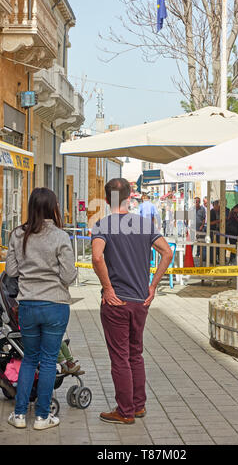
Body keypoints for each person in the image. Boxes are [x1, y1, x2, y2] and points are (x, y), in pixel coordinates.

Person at [91, 178, 172, 425]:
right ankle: (138, 406)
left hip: (117, 302)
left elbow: (96, 257)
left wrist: (107, 287)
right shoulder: (144, 225)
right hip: (140, 300)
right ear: (129, 198)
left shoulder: (102, 225)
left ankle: (124, 411)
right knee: (135, 353)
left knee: (120, 357)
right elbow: (167, 253)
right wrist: (153, 285)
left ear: (106, 200)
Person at [5, 188, 77, 430]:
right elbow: (68, 275)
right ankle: (43, 417)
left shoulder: (17, 234)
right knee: (48, 362)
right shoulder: (60, 236)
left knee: (29, 360)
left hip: (27, 305)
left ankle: (18, 415)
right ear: (53, 207)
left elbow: (12, 272)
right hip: (55, 305)